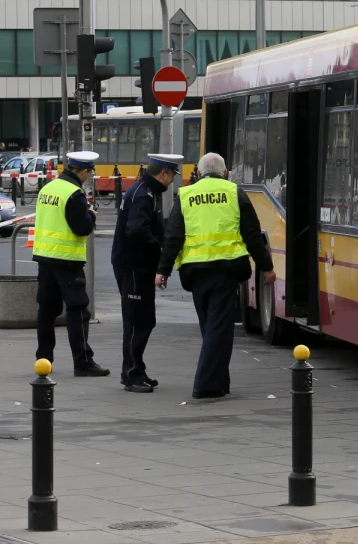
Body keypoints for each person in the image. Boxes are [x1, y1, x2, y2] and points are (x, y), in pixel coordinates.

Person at [155, 152, 274, 399]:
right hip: (225, 270)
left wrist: (163, 270)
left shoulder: (186, 195)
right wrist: (267, 267)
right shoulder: (234, 193)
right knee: (218, 328)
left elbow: (173, 236)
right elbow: (252, 234)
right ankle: (206, 384)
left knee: (210, 326)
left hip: (195, 272)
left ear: (198, 173)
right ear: (225, 172)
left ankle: (219, 381)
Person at [33, 151, 109, 377]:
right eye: (89, 173)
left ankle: (44, 359)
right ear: (83, 171)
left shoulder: (47, 188)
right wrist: (91, 215)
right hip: (67, 260)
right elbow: (82, 228)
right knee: (77, 310)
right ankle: (83, 362)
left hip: (45, 257)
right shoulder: (74, 194)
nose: (89, 177)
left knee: (47, 311)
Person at [110, 153, 181, 393]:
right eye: (172, 175)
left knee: (145, 321)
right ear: (163, 173)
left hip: (138, 266)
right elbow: (137, 229)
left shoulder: (147, 191)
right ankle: (131, 374)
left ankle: (136, 369)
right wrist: (159, 248)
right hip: (133, 266)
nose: (172, 180)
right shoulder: (143, 194)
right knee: (136, 322)